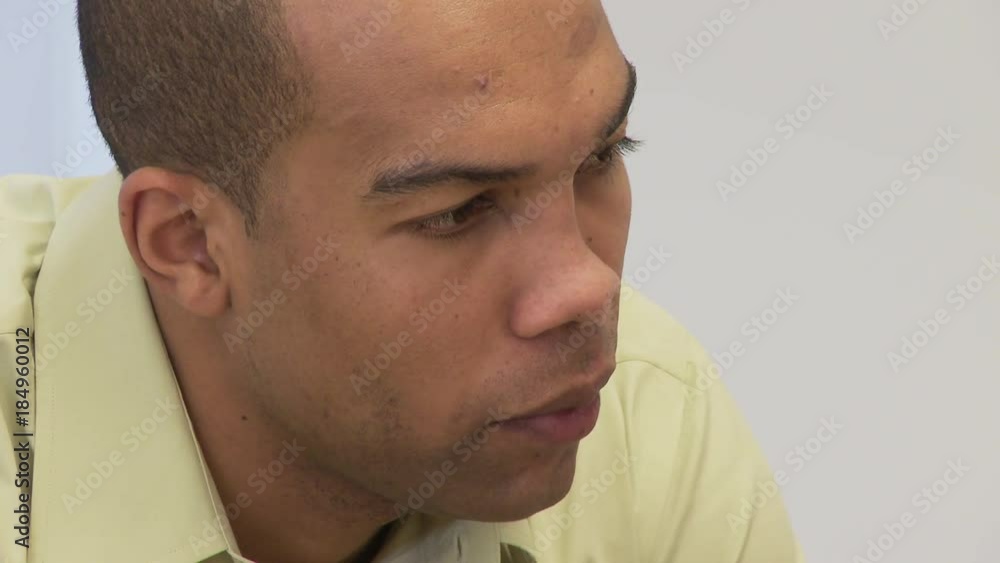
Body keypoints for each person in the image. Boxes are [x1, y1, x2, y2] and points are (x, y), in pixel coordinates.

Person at [0, 0, 804, 561]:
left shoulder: (648, 421)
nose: (587, 291)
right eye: (458, 212)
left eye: (604, 155)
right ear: (190, 246)